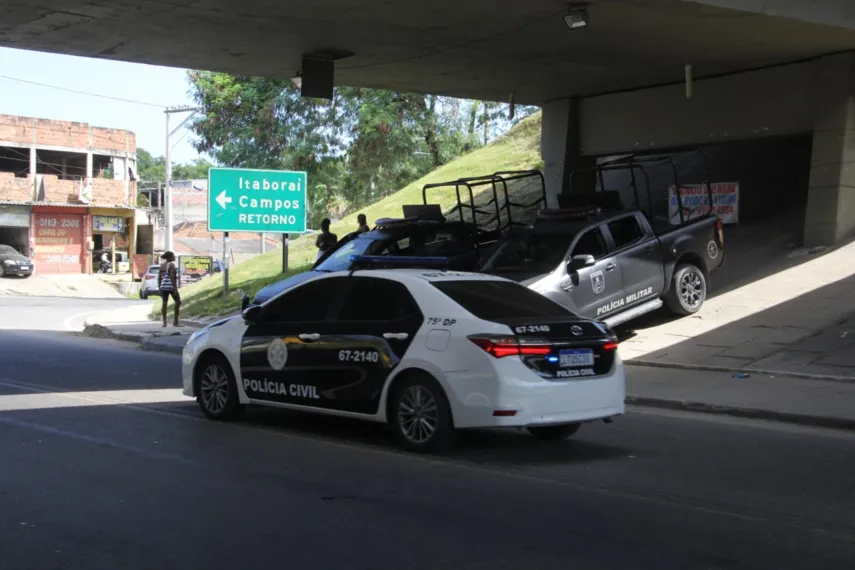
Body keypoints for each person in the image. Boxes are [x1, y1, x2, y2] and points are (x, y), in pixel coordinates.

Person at [158, 251, 181, 327]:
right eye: (173, 255)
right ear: (169, 257)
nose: (174, 257)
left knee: (164, 303)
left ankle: (164, 322)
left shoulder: (162, 266)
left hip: (163, 287)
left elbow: (159, 278)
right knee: (178, 302)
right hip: (171, 287)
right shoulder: (171, 265)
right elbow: (171, 277)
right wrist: (175, 289)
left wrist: (160, 289)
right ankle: (176, 321)